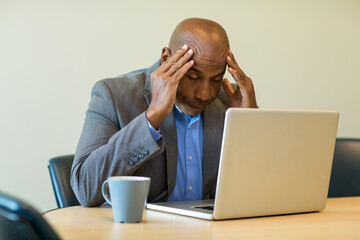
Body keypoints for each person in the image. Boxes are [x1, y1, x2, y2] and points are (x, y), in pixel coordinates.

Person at [71, 18, 258, 207]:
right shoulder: (113, 95)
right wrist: (151, 117)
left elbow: (260, 192)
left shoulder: (232, 101)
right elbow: (85, 188)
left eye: (216, 79)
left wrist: (249, 126)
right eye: (193, 77)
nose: (205, 94)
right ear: (167, 59)